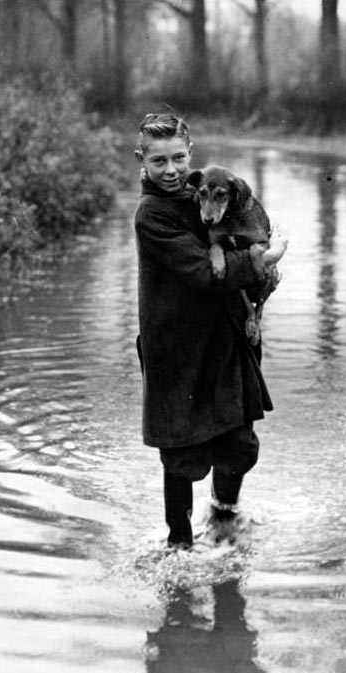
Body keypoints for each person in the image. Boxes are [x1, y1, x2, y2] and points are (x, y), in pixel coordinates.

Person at [134, 112, 286, 549]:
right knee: (180, 453)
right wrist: (265, 259)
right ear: (141, 160)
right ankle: (179, 543)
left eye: (178, 158)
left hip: (224, 338)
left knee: (239, 443)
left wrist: (261, 265)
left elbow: (246, 235)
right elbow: (206, 272)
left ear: (191, 154)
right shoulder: (152, 215)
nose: (171, 170)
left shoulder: (204, 191)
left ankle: (224, 514)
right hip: (176, 347)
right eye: (159, 161)